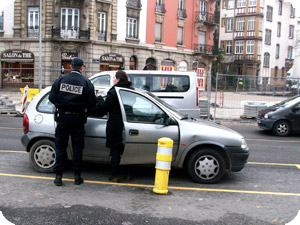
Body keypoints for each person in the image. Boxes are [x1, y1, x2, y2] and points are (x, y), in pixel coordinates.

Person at [49, 57, 96, 186]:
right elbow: (92, 103)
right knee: (77, 148)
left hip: (63, 118)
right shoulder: (86, 82)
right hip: (78, 119)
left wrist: (62, 105)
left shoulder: (61, 79)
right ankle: (77, 176)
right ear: (81, 68)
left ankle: (58, 177)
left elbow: (52, 97)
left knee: (60, 148)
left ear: (70, 66)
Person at [96, 70, 133, 182]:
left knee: (115, 150)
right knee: (126, 150)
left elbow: (105, 108)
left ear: (118, 79)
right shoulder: (130, 90)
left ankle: (114, 175)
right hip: (128, 122)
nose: (113, 80)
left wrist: (99, 98)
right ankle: (128, 174)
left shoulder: (114, 91)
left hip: (115, 123)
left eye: (114, 78)